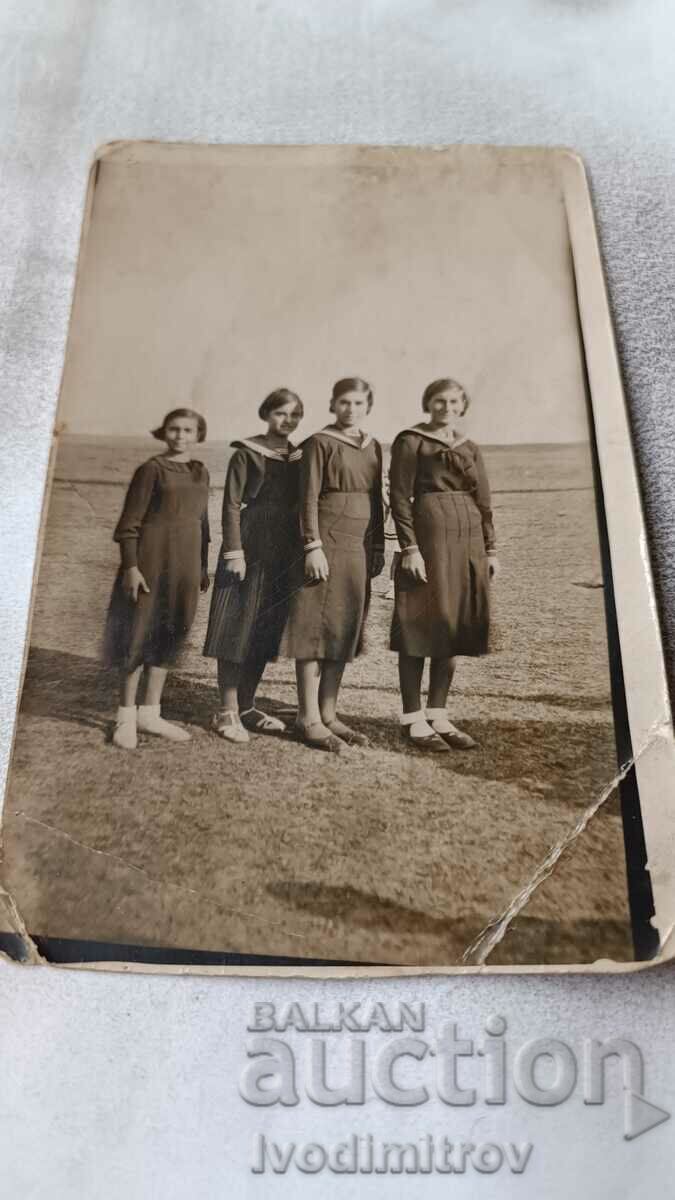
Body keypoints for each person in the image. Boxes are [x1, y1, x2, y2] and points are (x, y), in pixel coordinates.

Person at [389, 378, 500, 751]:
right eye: (440, 400)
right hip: (429, 536)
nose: (447, 407)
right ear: (428, 403)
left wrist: (491, 549)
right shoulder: (411, 441)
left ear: (463, 404)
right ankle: (412, 717)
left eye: (454, 401)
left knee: (451, 622)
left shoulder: (469, 445)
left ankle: (438, 712)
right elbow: (400, 497)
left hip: (467, 538)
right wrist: (410, 548)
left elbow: (483, 499)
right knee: (420, 621)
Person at [282, 377, 385, 752]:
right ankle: (306, 717)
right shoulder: (319, 443)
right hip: (325, 540)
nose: (351, 410)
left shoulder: (374, 447)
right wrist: (312, 545)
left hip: (358, 546)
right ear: (332, 404)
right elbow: (307, 497)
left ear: (368, 406)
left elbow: (377, 500)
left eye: (358, 403)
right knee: (314, 626)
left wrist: (377, 550)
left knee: (343, 626)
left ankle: (328, 713)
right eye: (344, 402)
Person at [103, 407, 211, 749]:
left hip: (186, 567)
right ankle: (125, 717)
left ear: (198, 435)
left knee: (170, 633)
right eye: (173, 429)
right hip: (149, 564)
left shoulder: (200, 471)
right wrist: (131, 567)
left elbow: (202, 524)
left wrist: (202, 566)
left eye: (187, 430)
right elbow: (128, 525)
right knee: (137, 634)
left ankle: (151, 713)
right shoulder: (150, 470)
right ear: (163, 432)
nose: (180, 435)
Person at [202, 388, 304, 744]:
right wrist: (234, 551)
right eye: (280, 413)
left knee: (264, 628)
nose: (286, 421)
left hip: (283, 548)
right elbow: (231, 504)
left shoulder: (299, 455)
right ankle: (226, 710)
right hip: (251, 541)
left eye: (294, 416)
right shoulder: (248, 452)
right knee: (236, 625)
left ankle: (247, 705)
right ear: (266, 413)